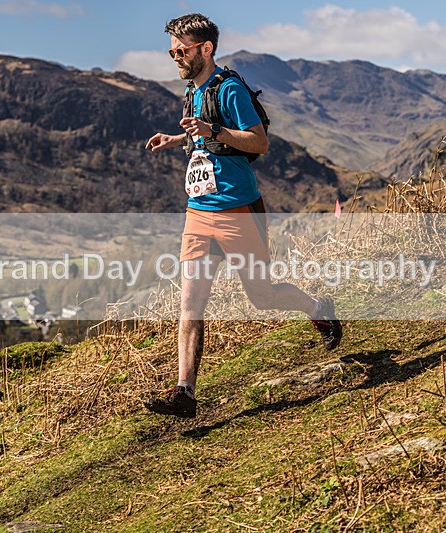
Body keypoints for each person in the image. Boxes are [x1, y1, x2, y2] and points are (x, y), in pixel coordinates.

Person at [143, 13, 341, 418]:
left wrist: (212, 131)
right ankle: (185, 393)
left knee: (262, 297)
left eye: (181, 50)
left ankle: (319, 307)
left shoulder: (230, 88)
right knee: (190, 304)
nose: (175, 57)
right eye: (171, 50)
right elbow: (202, 130)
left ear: (205, 49)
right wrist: (178, 137)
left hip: (239, 212)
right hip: (198, 214)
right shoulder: (192, 90)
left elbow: (259, 142)